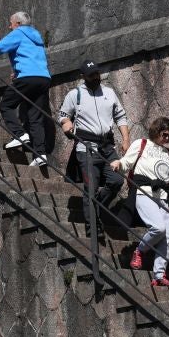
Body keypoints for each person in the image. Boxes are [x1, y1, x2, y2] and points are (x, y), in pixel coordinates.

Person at [111, 117, 169, 286]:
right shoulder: (142, 143)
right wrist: (118, 163)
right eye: (164, 134)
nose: (167, 139)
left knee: (168, 238)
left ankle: (159, 275)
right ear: (156, 131)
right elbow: (127, 162)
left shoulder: (168, 154)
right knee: (158, 227)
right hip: (144, 192)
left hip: (162, 196)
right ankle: (139, 251)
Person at [59, 60, 130, 236]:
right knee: (91, 186)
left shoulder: (109, 93)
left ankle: (95, 205)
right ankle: (93, 228)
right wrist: (66, 124)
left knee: (117, 180)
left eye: (97, 73)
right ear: (83, 76)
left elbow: (120, 116)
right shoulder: (75, 95)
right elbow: (63, 115)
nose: (95, 77)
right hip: (86, 147)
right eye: (91, 75)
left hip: (108, 146)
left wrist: (126, 139)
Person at [0, 12, 51, 167]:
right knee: (35, 116)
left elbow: (2, 46)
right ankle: (40, 154)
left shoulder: (18, 33)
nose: (10, 26)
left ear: (17, 23)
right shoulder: (36, 36)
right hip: (43, 78)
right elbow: (33, 57)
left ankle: (20, 134)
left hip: (27, 77)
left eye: (11, 23)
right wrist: (17, 71)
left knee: (6, 105)